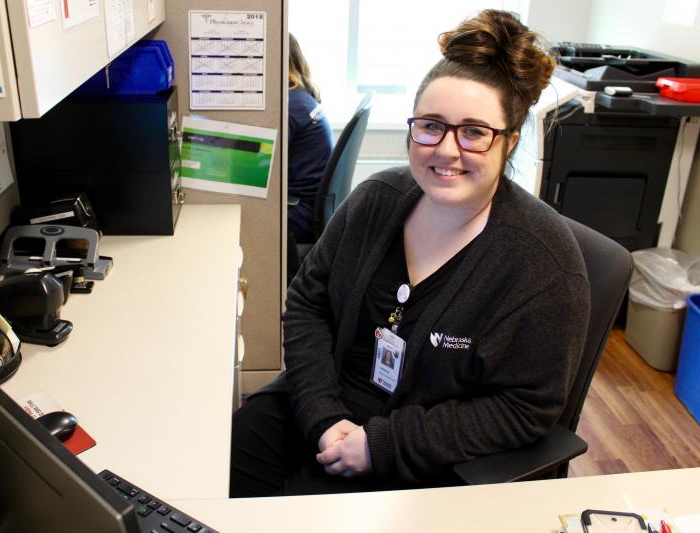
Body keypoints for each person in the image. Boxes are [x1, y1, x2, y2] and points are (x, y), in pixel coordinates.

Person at [230, 10, 590, 497]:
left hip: (420, 455)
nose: (447, 149)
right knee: (216, 469)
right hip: (322, 408)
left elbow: (525, 408)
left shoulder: (542, 265)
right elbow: (309, 304)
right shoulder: (376, 199)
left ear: (510, 142)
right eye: (431, 125)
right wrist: (323, 415)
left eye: (474, 132)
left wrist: (379, 445)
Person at [287, 33, 334, 244]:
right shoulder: (301, 96)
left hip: (298, 212)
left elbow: (267, 166)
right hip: (310, 207)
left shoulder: (289, 105)